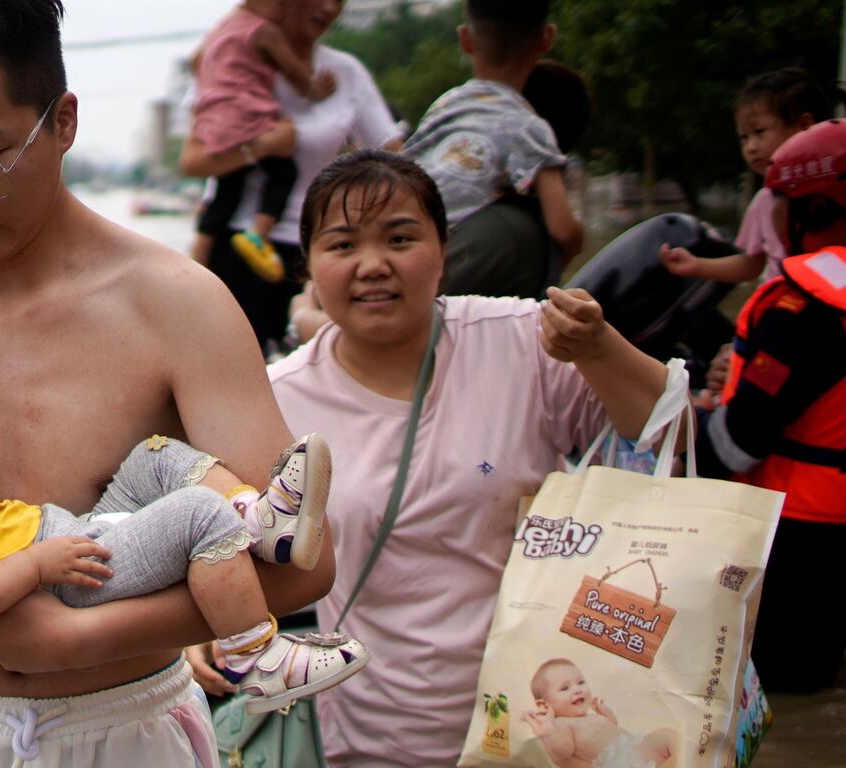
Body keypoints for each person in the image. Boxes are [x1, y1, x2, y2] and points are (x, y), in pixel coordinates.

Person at [0, 1, 337, 764]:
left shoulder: (175, 304)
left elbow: (300, 566)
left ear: (62, 121)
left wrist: (83, 639)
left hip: (126, 725)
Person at [256, 150, 669, 765]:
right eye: (341, 246)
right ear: (310, 267)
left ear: (444, 249)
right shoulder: (278, 398)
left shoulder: (524, 340)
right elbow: (231, 541)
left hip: (546, 717)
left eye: (401, 238)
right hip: (374, 726)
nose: (373, 266)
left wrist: (599, 348)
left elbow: (666, 435)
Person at [0, 313, 362, 712]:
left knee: (155, 456)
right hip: (64, 577)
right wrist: (38, 567)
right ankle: (255, 656)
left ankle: (257, 518)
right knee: (196, 514)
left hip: (67, 538)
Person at [689, 118, 846, 693]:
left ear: (814, 210)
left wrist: (679, 423)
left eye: (779, 201)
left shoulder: (804, 307)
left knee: (756, 691)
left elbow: (736, 443)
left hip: (786, 529)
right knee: (815, 677)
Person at [180, 0, 404, 354]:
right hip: (241, 248)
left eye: (340, 1)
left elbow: (392, 156)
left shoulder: (344, 72)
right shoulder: (231, 59)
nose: (329, 9)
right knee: (244, 371)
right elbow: (193, 162)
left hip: (320, 249)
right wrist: (263, 146)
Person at [662, 68, 846, 284]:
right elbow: (751, 264)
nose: (751, 147)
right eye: (744, 138)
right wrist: (697, 265)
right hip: (788, 315)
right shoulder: (763, 201)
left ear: (805, 126)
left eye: (760, 132)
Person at [404, 0, 583, 300]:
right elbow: (563, 229)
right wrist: (577, 242)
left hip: (402, 243)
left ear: (465, 39)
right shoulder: (528, 126)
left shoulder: (444, 105)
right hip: (449, 262)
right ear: (547, 39)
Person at [190, 0, 337, 284]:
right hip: (248, 118)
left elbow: (197, 61)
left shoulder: (221, 30)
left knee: (227, 187)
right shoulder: (264, 31)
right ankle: (259, 234)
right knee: (283, 173)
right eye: (280, 3)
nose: (285, 10)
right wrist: (317, 89)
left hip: (215, 118)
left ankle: (200, 254)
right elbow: (294, 73)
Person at [523, 658, 676, 768]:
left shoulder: (590, 717)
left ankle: (684, 760)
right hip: (621, 763)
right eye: (565, 688)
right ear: (544, 705)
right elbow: (562, 755)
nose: (577, 689)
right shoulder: (561, 724)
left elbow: (612, 733)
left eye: (581, 682)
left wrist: (607, 717)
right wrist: (548, 731)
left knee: (666, 734)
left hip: (635, 745)